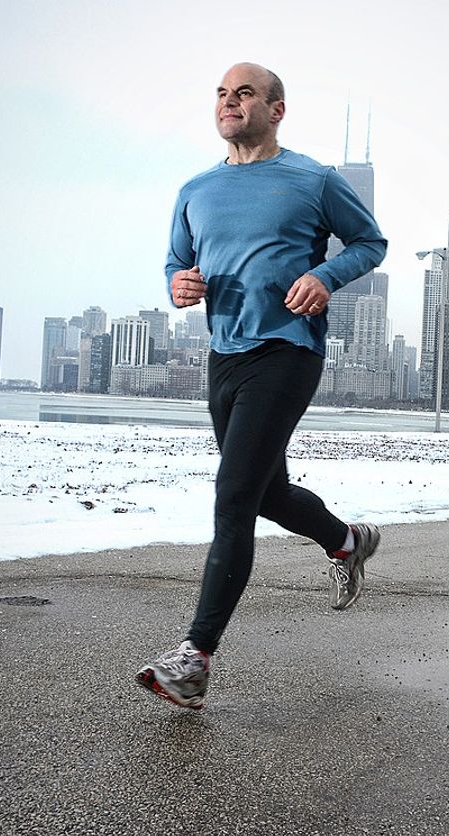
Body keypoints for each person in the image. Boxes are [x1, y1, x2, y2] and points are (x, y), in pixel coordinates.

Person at [136, 62, 387, 709]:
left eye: (244, 93)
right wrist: (178, 284)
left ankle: (195, 658)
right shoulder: (195, 189)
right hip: (225, 356)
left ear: (276, 109)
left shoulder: (313, 180)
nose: (229, 102)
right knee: (265, 493)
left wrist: (327, 277)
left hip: (288, 350)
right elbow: (175, 260)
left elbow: (369, 241)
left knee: (234, 494)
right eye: (221, 93)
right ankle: (348, 541)